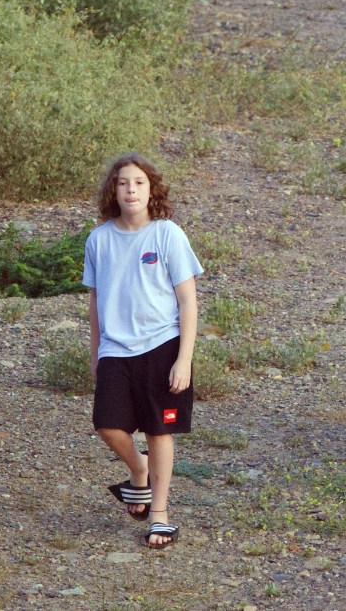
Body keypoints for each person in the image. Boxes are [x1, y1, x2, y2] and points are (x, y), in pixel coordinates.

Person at [84, 153, 203, 549]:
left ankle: (160, 515)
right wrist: (96, 351)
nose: (130, 189)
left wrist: (184, 358)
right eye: (122, 183)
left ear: (151, 189)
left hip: (162, 344)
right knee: (106, 424)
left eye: (138, 182)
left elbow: (188, 301)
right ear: (112, 191)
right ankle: (140, 471)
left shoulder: (168, 234)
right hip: (116, 348)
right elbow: (95, 302)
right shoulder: (99, 239)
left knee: (159, 428)